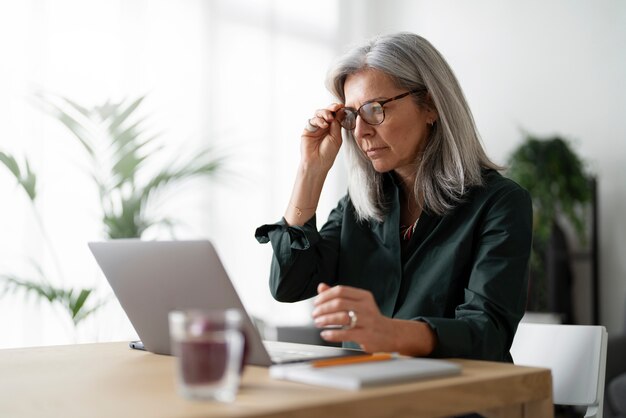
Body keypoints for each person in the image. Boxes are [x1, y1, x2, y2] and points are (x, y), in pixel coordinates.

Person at [255, 32, 532, 362]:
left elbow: (488, 333)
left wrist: (390, 333)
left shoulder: (500, 204)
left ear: (430, 106)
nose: (360, 132)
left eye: (375, 110)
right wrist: (310, 172)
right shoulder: (357, 208)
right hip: (365, 396)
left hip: (457, 401)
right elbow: (288, 286)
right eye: (352, 116)